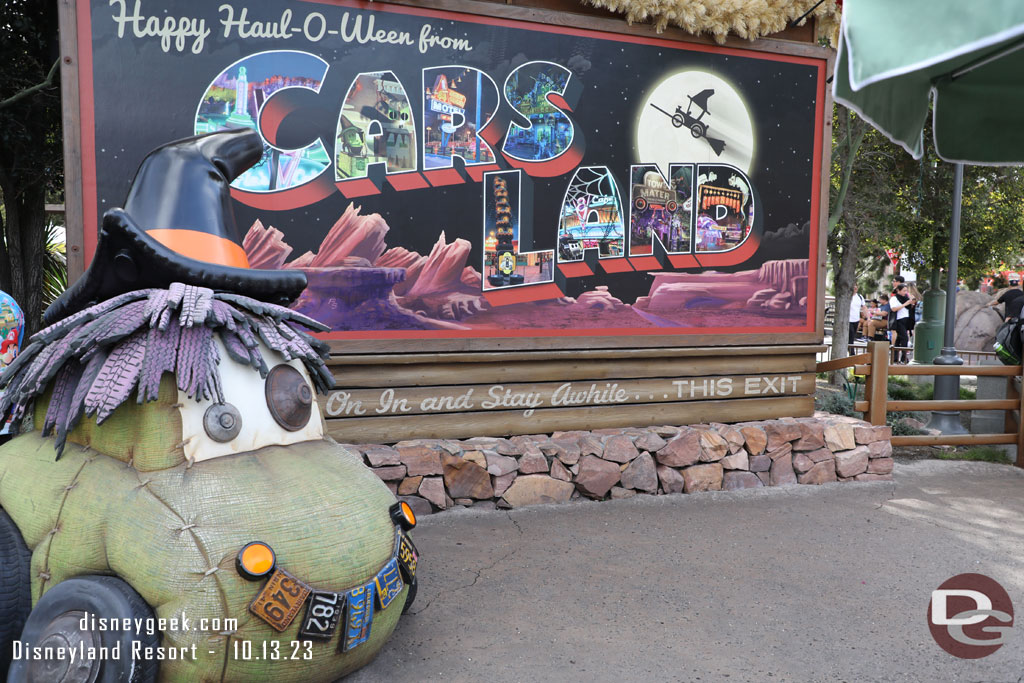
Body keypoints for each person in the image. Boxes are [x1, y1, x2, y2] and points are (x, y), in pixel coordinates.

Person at [889, 283, 916, 364]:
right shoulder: (894, 298)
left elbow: (909, 308)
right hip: (898, 320)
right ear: (898, 290)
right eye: (904, 290)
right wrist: (905, 304)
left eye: (906, 290)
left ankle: (895, 358)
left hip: (906, 319)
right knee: (905, 338)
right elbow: (894, 309)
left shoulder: (905, 298)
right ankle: (904, 358)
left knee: (899, 340)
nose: (905, 292)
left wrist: (911, 303)